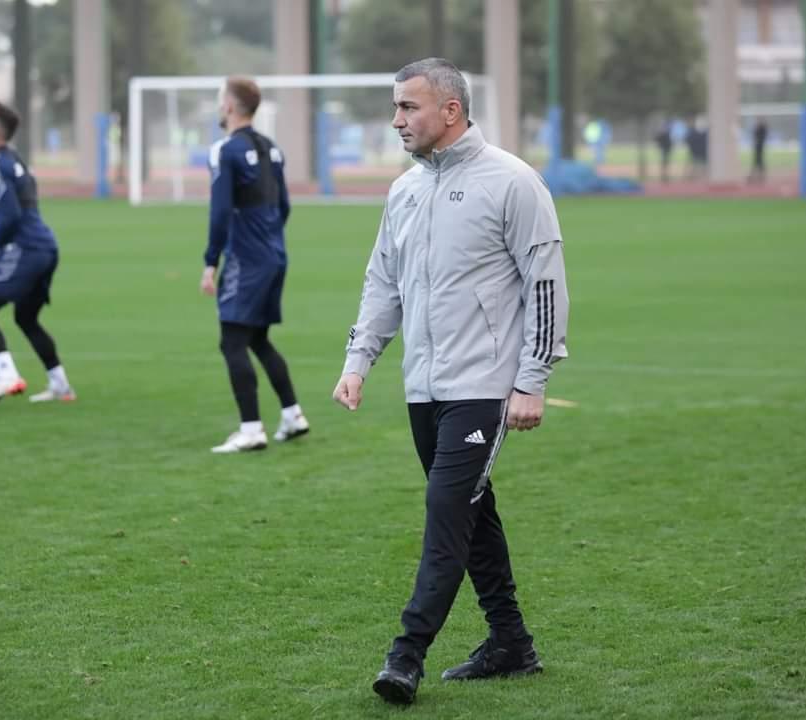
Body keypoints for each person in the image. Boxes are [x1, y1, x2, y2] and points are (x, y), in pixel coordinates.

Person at [332, 58, 570, 705]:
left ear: (451, 110)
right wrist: (358, 361)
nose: (396, 120)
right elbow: (383, 283)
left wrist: (532, 380)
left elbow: (545, 285)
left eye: (408, 107)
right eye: (396, 107)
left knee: (446, 515)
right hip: (424, 389)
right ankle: (511, 643)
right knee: (471, 514)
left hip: (485, 387)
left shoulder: (512, 182)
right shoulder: (404, 192)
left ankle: (404, 656)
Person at [201, 76, 309, 454]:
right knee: (257, 339)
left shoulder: (225, 150)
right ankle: (293, 415)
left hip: (247, 260)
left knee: (232, 340)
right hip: (275, 255)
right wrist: (268, 239)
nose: (220, 107)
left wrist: (211, 262)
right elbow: (284, 207)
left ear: (230, 106)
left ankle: (250, 429)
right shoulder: (272, 148)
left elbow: (219, 213)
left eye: (221, 101)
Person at [0, 101, 75, 406]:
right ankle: (60, 385)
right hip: (46, 246)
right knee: (26, 317)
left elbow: (11, 215)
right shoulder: (15, 159)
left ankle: (7, 376)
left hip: (27, 248)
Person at [749, 118, 768, 184]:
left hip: (760, 147)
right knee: (757, 162)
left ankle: (758, 176)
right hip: (757, 147)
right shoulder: (758, 128)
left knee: (759, 162)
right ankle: (756, 176)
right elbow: (754, 136)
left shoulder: (763, 128)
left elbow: (761, 137)